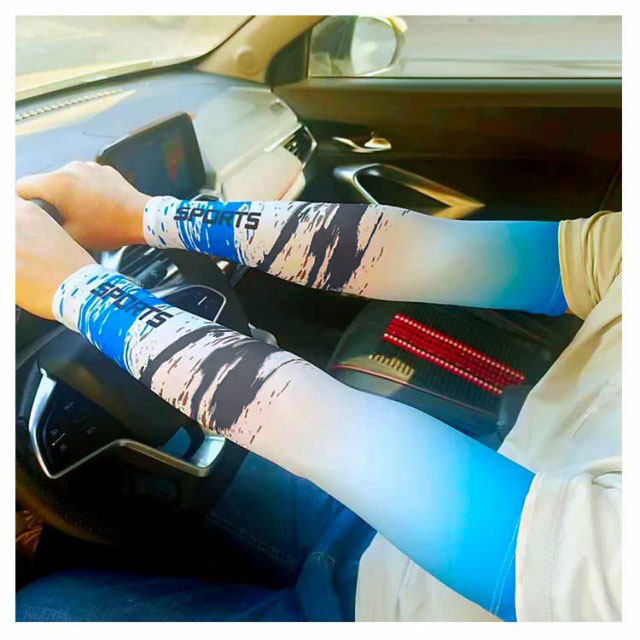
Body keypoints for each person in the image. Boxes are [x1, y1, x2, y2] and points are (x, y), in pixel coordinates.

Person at [15, 162, 621, 621]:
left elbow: (341, 439)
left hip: (402, 608)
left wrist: (80, 291)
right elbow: (445, 254)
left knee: (37, 611)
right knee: (126, 494)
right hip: (389, 534)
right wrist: (147, 216)